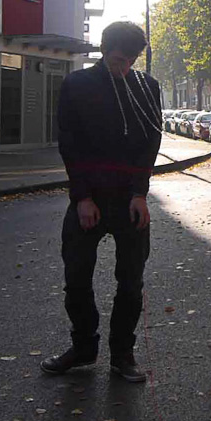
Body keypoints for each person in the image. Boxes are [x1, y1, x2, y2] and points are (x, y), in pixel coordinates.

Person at [41, 22, 163, 383]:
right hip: (89, 198)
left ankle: (122, 354)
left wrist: (140, 193)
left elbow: (150, 143)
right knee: (76, 279)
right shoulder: (77, 85)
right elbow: (70, 144)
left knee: (131, 282)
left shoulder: (146, 86)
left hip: (129, 200)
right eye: (118, 60)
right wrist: (82, 197)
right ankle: (83, 347)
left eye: (131, 61)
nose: (124, 68)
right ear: (103, 50)